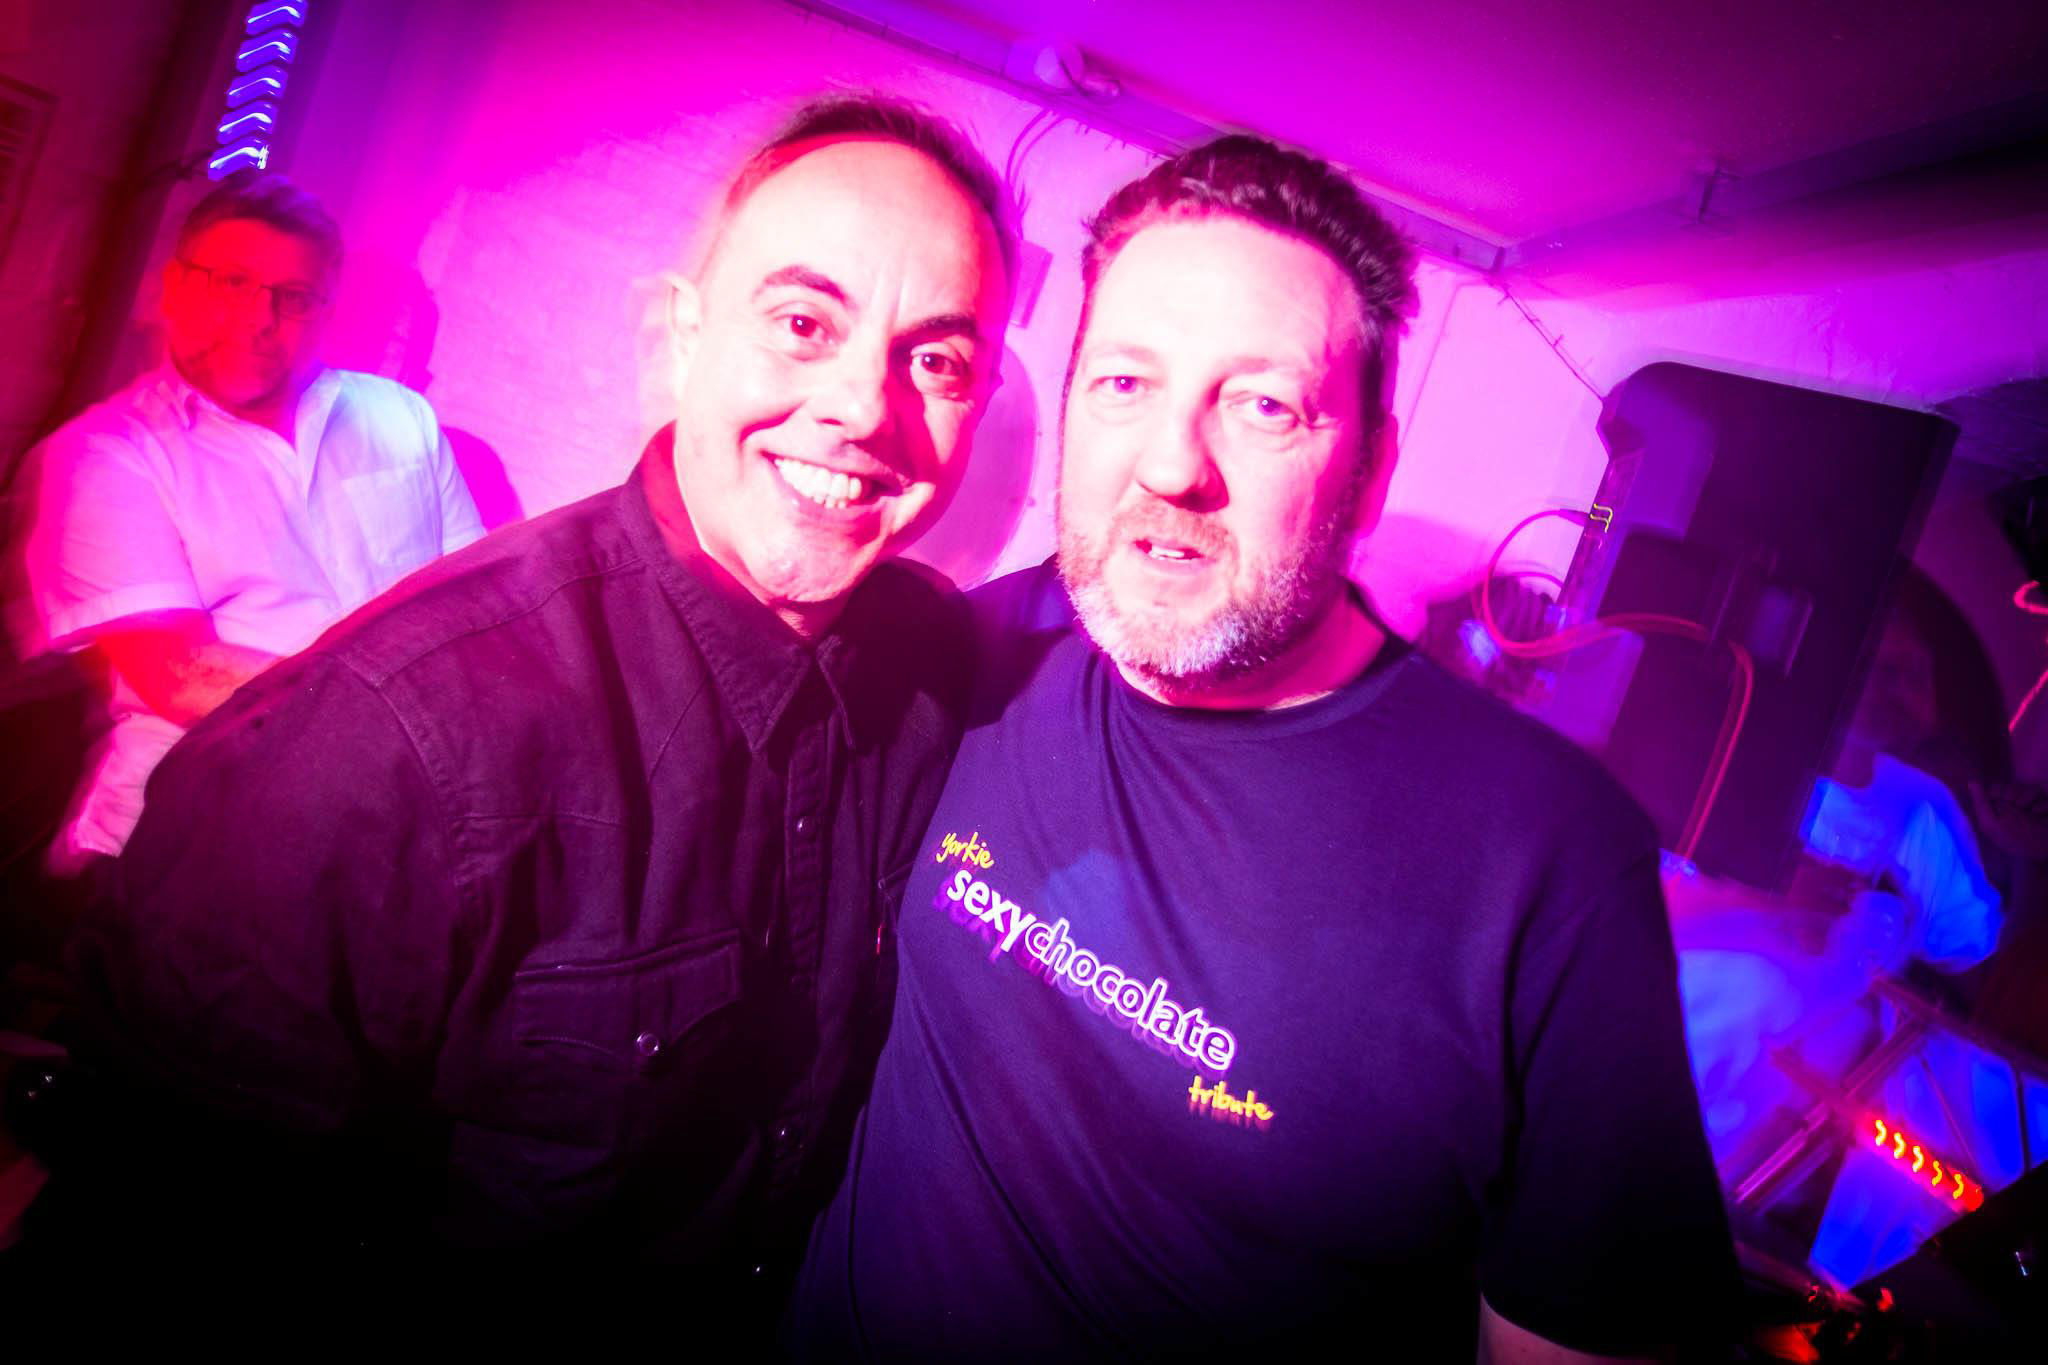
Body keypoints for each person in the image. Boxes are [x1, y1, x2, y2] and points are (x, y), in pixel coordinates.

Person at [790, 136, 1735, 1360]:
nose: (1171, 465)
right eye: (1123, 383)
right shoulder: (974, 654)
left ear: (1367, 472)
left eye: (1263, 406)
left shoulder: (1545, 862)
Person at [50, 95, 1014, 1288]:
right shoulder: (377, 750)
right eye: (803, 323)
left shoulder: (930, 667)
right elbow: (153, 1235)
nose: (864, 408)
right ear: (677, 338)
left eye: (936, 360)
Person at [22, 172, 484, 867]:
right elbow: (178, 674)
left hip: (363, 838)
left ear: (323, 309)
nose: (259, 319)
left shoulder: (402, 418)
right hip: (175, 842)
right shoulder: (103, 455)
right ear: (175, 286)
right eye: (231, 283)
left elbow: (466, 605)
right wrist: (406, 724)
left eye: (292, 296)